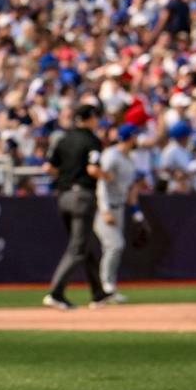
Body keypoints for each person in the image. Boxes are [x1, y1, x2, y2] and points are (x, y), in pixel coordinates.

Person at [43, 103, 109, 310]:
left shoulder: (63, 139)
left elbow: (49, 167)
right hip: (83, 196)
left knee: (86, 245)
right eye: (95, 117)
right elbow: (92, 169)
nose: (97, 121)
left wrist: (65, 177)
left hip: (64, 197)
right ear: (89, 118)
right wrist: (108, 177)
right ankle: (56, 292)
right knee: (78, 248)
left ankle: (98, 293)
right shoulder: (92, 140)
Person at [93, 122, 139, 304]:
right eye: (135, 135)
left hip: (119, 206)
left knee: (113, 248)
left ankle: (109, 288)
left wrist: (137, 213)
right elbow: (101, 183)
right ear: (129, 137)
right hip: (107, 207)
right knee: (115, 245)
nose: (137, 139)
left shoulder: (129, 158)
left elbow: (129, 188)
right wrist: (104, 210)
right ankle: (106, 287)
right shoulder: (111, 156)